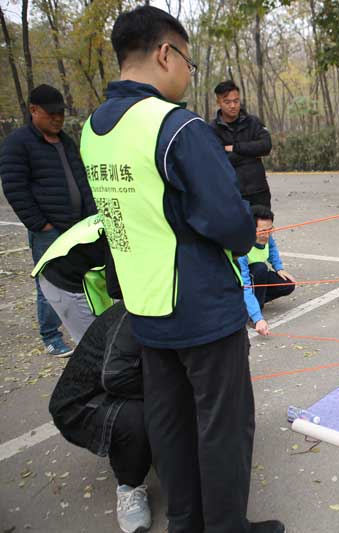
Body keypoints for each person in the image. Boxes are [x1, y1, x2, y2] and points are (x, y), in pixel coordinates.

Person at [79, 6, 282, 532]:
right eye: (188, 61)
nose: (189, 73)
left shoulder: (93, 132)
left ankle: (186, 522)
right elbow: (233, 223)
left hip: (145, 307)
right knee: (222, 424)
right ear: (165, 53)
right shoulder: (177, 127)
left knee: (171, 423)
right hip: (201, 306)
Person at [0, 84, 97, 356]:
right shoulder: (18, 144)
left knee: (81, 280)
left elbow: (83, 181)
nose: (57, 118)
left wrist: (90, 218)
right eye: (51, 113)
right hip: (48, 230)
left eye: (60, 113)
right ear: (33, 110)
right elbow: (15, 189)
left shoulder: (66, 142)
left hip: (78, 228)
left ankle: (86, 328)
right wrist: (41, 225)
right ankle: (51, 335)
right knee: (50, 282)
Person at [49, 302, 152, 533]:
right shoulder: (137, 313)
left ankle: (149, 449)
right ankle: (129, 487)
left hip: (110, 387)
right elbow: (116, 377)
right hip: (81, 405)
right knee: (138, 417)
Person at [30, 214, 114, 343]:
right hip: (61, 279)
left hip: (80, 273)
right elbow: (118, 289)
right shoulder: (125, 235)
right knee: (95, 346)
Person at [210, 80, 273, 208]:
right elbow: (217, 161)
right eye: (227, 102)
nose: (233, 106)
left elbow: (266, 146)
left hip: (259, 192)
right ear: (218, 102)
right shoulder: (212, 129)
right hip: (230, 194)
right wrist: (251, 154)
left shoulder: (253, 122)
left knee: (263, 228)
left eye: (236, 101)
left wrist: (235, 148)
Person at [238, 205, 296, 335]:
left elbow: (272, 249)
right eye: (263, 231)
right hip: (240, 282)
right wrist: (258, 317)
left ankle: (245, 306)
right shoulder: (241, 247)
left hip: (255, 277)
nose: (267, 235)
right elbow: (245, 286)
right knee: (260, 268)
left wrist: (279, 267)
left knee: (287, 284)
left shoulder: (267, 236)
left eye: (270, 230)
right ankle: (252, 314)